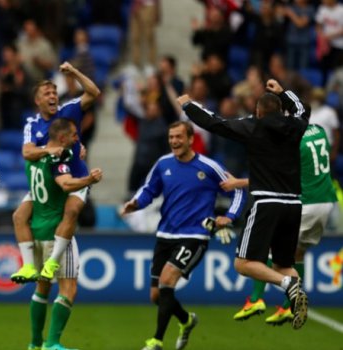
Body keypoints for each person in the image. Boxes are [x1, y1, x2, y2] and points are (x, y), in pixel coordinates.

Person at [179, 79, 310, 330]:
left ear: (259, 112)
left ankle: (288, 286)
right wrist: (283, 92)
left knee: (243, 263)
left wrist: (189, 106)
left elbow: (216, 122)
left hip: (266, 203)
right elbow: (302, 109)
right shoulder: (295, 125)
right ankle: (294, 293)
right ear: (280, 109)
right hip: (294, 204)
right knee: (284, 264)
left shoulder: (253, 126)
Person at [119, 121, 245, 350]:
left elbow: (237, 188)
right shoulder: (163, 163)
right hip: (166, 233)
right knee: (157, 295)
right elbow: (149, 189)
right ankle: (186, 321)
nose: (174, 141)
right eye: (171, 137)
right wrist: (135, 204)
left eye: (179, 137)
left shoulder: (208, 166)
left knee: (167, 280)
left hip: (195, 235)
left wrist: (230, 216)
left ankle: (156, 340)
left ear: (190, 139)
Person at [225, 122, 337, 325]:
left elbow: (271, 177)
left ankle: (255, 300)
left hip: (306, 202)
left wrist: (237, 183)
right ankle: (287, 307)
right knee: (298, 254)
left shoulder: (292, 141)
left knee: (267, 252)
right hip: (326, 201)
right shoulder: (319, 130)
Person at [10, 61, 100, 284]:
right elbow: (26, 152)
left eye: (54, 92)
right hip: (47, 185)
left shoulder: (69, 111)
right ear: (37, 100)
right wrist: (49, 150)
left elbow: (94, 92)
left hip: (74, 177)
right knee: (19, 216)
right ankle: (29, 266)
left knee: (72, 211)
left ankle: (52, 262)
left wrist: (74, 71)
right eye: (46, 93)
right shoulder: (33, 124)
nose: (52, 95)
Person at [25, 118, 103, 350]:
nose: (77, 139)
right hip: (57, 232)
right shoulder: (58, 157)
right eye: (73, 135)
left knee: (42, 288)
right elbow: (66, 184)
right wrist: (89, 179)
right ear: (61, 138)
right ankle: (53, 344)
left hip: (36, 230)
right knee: (68, 289)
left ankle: (35, 343)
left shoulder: (34, 157)